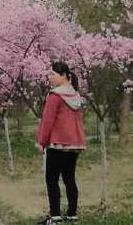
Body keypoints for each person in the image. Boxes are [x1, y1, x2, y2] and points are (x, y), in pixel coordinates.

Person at [35, 61, 85, 225]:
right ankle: (71, 213)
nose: (49, 77)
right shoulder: (74, 94)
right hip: (74, 144)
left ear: (63, 75)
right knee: (69, 178)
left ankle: (55, 217)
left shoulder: (55, 96)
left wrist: (41, 141)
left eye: (52, 74)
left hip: (57, 143)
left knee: (51, 179)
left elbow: (47, 121)